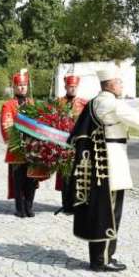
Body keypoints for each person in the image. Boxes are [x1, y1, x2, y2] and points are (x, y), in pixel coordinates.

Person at [70, 65, 139, 272]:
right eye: (119, 82)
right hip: (112, 163)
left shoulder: (96, 101)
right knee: (110, 212)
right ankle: (103, 259)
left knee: (100, 210)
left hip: (100, 161)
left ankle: (98, 258)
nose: (122, 85)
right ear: (110, 84)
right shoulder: (112, 105)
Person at [0, 70, 48, 217]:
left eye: (24, 85)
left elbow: (41, 123)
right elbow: (6, 125)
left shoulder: (34, 104)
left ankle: (29, 206)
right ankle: (19, 208)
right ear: (14, 87)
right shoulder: (9, 105)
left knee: (32, 179)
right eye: (19, 85)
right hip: (18, 149)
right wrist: (17, 141)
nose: (22, 88)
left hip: (33, 149)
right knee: (19, 179)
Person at [54, 74, 88, 214]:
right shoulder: (58, 102)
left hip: (77, 144)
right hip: (61, 143)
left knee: (77, 174)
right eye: (70, 87)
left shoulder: (84, 103)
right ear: (65, 87)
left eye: (75, 87)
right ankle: (65, 204)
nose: (72, 89)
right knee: (64, 176)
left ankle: (76, 203)